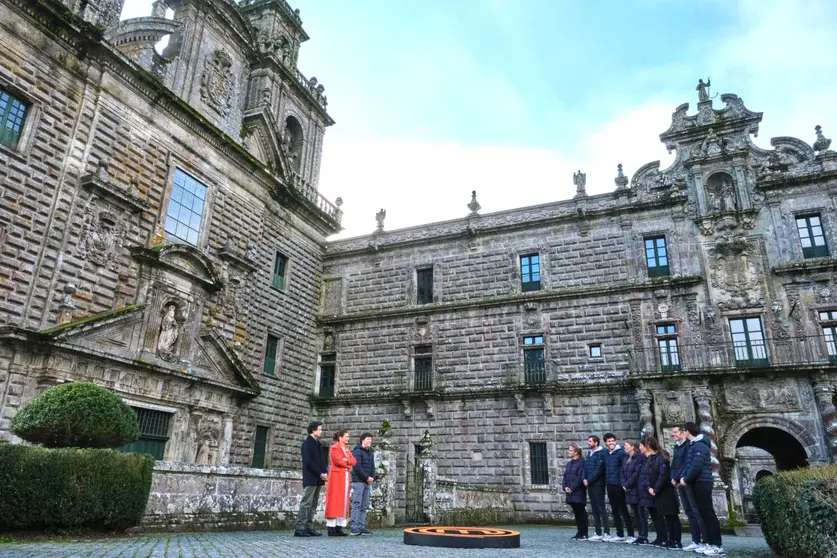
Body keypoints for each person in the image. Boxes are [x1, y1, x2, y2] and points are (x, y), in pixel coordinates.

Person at [682, 422, 725, 556]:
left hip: (702, 482)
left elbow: (696, 466)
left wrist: (685, 478)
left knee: (708, 513)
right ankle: (709, 543)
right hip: (697, 482)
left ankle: (717, 545)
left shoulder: (700, 445)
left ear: (688, 431)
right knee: (702, 513)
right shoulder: (694, 445)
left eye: (684, 431)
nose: (683, 433)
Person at [672, 425, 706, 552]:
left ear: (683, 432)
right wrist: (673, 477)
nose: (673, 435)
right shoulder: (676, 446)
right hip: (680, 481)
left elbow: (687, 464)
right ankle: (695, 540)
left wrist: (678, 478)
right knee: (689, 512)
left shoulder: (689, 446)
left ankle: (704, 540)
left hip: (686, 481)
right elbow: (674, 464)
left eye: (675, 432)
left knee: (696, 512)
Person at [294, 421, 329, 537]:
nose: (321, 431)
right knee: (306, 503)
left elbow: (321, 460)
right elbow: (308, 462)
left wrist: (324, 472)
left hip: (318, 478)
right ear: (313, 430)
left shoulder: (317, 443)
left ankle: (308, 526)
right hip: (311, 478)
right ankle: (300, 527)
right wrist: (320, 473)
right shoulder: (307, 444)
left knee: (313, 503)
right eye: (320, 429)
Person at [324, 429, 356, 536]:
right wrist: (347, 463)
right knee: (335, 500)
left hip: (345, 476)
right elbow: (338, 461)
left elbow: (354, 461)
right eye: (346, 436)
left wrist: (346, 461)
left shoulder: (346, 449)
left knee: (343, 501)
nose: (348, 438)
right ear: (340, 437)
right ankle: (331, 527)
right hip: (337, 476)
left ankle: (339, 526)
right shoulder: (335, 448)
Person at [603, 433, 633, 543]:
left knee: (623, 509)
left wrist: (623, 483)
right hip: (609, 484)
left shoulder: (621, 453)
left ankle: (631, 535)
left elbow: (624, 469)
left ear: (615, 441)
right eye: (609, 441)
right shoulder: (605, 454)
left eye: (612, 440)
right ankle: (620, 534)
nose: (611, 443)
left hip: (619, 485)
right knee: (614, 510)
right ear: (605, 443)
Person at [583, 435, 609, 541]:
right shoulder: (589, 454)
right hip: (590, 485)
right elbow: (585, 467)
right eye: (588, 441)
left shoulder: (601, 453)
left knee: (601, 508)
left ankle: (607, 532)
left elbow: (599, 469)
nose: (588, 443)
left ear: (596, 442)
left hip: (598, 484)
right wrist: (584, 478)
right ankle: (598, 532)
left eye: (590, 441)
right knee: (594, 509)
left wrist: (589, 480)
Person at [349, 432, 375, 536]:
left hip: (367, 482)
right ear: (363, 440)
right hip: (359, 481)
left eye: (371, 440)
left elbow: (373, 466)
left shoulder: (370, 452)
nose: (370, 441)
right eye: (368, 439)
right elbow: (357, 467)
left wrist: (372, 476)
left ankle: (361, 526)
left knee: (364, 505)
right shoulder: (357, 451)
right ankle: (354, 527)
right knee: (357, 503)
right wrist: (366, 477)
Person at [621, 440, 645, 545]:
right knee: (635, 513)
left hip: (636, 489)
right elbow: (622, 472)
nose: (624, 447)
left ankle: (644, 535)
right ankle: (640, 534)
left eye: (626, 446)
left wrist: (627, 485)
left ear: (632, 447)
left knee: (641, 513)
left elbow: (636, 473)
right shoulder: (626, 458)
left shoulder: (639, 458)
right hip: (629, 490)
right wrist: (624, 484)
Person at [658, 448, 683, 550]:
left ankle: (676, 540)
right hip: (664, 491)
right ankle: (671, 538)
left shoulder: (665, 463)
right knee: (668, 517)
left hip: (669, 491)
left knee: (673, 517)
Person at [563, 442, 588, 541]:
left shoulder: (582, 462)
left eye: (570, 450)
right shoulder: (569, 463)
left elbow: (580, 478)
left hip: (578, 492)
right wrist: (565, 487)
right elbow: (565, 477)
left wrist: (572, 488)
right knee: (577, 513)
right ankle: (579, 532)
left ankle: (584, 533)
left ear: (576, 452)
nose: (569, 452)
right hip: (570, 493)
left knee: (581, 512)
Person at [636, 439, 657, 546]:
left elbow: (648, 476)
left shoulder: (651, 459)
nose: (639, 448)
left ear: (646, 446)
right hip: (642, 490)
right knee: (644, 513)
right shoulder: (643, 459)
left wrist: (649, 487)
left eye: (641, 446)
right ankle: (643, 536)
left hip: (649, 490)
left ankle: (661, 536)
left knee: (655, 515)